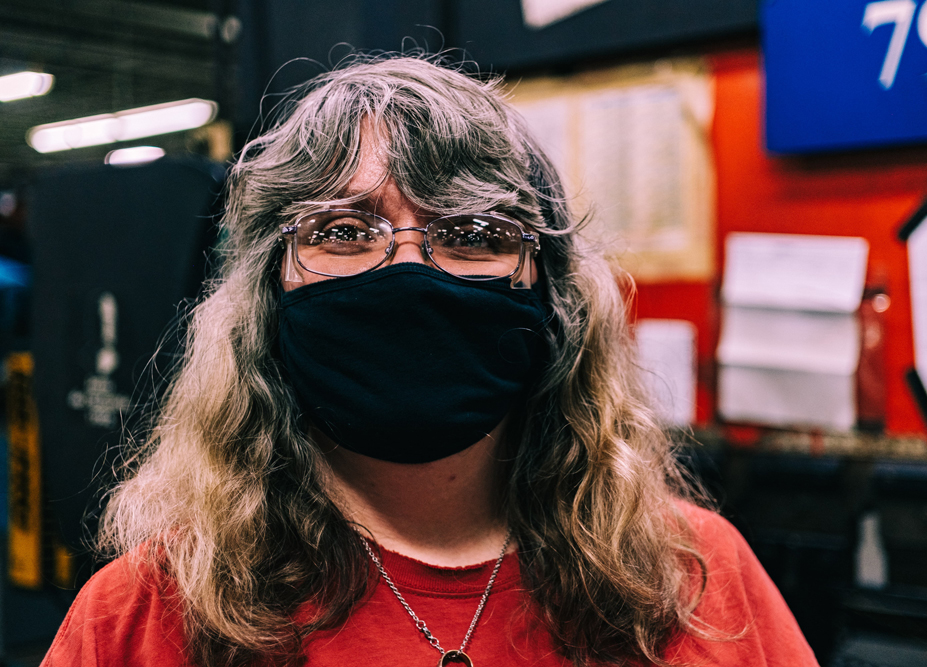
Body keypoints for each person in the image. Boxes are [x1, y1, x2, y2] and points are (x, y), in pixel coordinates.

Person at [43, 55, 818, 667]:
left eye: (473, 233)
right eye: (343, 231)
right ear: (265, 292)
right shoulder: (143, 615)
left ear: (551, 296)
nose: (409, 272)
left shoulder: (696, 579)